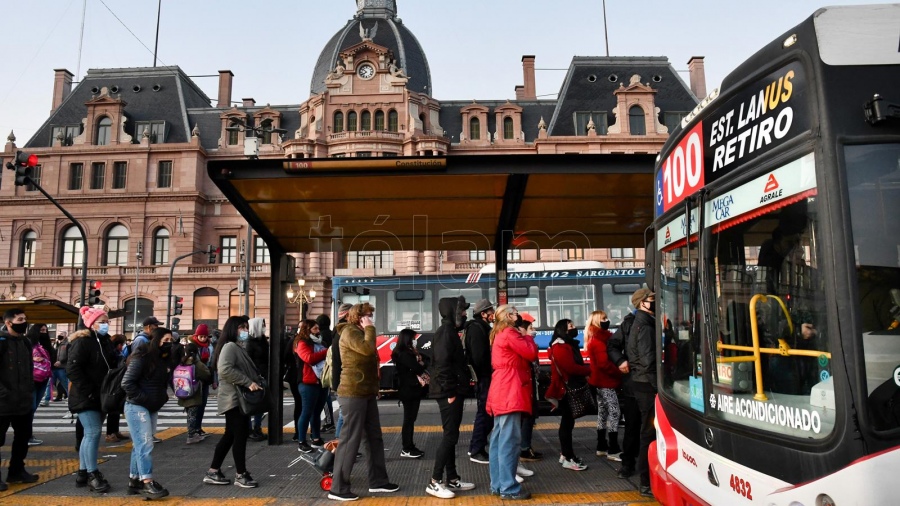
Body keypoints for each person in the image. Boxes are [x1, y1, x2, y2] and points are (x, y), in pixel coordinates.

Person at [328, 302, 398, 501]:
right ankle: (338, 488)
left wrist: (374, 389)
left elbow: (370, 362)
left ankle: (378, 481)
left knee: (374, 437)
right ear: (358, 317)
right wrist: (369, 328)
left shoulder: (359, 332)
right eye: (367, 315)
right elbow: (367, 350)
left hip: (365, 391)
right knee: (350, 439)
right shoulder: (349, 332)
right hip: (353, 392)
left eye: (370, 315)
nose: (370, 318)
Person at [203, 316, 262, 488]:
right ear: (232, 329)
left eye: (246, 327)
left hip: (235, 398)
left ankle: (213, 471)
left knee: (230, 435)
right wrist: (248, 382)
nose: (245, 331)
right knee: (240, 436)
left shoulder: (236, 346)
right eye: (241, 327)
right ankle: (241, 474)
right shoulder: (230, 347)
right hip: (234, 399)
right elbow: (225, 370)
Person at [486, 305, 538, 500]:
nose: (518, 316)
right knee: (509, 441)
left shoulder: (498, 333)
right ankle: (508, 487)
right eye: (516, 313)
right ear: (509, 316)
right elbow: (530, 353)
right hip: (511, 389)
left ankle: (498, 484)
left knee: (499, 439)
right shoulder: (510, 333)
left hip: (501, 387)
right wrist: (527, 336)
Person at [426, 296, 475, 500]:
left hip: (451, 390)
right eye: (462, 310)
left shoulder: (449, 331)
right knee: (450, 436)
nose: (465, 314)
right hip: (448, 392)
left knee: (451, 434)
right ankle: (435, 481)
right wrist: (451, 392)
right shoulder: (446, 333)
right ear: (453, 312)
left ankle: (452, 478)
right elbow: (442, 365)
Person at [67, 305, 116, 493]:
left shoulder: (104, 341)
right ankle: (92, 473)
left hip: (100, 394)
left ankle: (83, 472)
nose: (106, 325)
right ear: (91, 323)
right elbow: (73, 369)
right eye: (102, 322)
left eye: (107, 321)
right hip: (86, 395)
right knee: (93, 432)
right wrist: (88, 391)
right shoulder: (83, 342)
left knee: (91, 434)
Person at [122, 327, 174, 499]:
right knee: (145, 444)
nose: (169, 344)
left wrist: (161, 398)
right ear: (156, 340)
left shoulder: (162, 359)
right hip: (137, 405)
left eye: (171, 341)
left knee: (140, 444)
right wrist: (145, 399)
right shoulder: (142, 356)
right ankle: (147, 481)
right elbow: (127, 383)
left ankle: (135, 479)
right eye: (166, 340)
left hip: (150, 405)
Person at [0, 308, 40, 490]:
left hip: (23, 400)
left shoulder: (25, 342)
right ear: (8, 323)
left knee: (22, 438)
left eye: (25, 319)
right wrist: (3, 393)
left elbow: (30, 368)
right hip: (3, 402)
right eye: (20, 320)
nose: (24, 322)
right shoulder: (2, 342)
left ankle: (16, 471)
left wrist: (29, 389)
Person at [545, 318, 591, 471]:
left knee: (568, 422)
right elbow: (570, 367)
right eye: (570, 326)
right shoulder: (560, 346)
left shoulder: (566, 345)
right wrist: (589, 370)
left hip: (567, 387)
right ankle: (568, 456)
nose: (574, 328)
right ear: (563, 330)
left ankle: (566, 455)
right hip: (565, 389)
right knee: (567, 423)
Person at [625, 288, 657, 498]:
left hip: (641, 382)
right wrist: (658, 385)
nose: (654, 302)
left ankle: (646, 480)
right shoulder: (644, 326)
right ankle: (646, 482)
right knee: (648, 432)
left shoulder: (641, 322)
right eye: (652, 299)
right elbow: (648, 359)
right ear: (642, 303)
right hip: (647, 384)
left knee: (647, 431)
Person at [607, 305, 641, 479]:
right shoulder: (628, 323)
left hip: (656, 383)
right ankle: (628, 463)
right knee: (632, 425)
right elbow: (612, 345)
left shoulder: (659, 319)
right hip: (634, 384)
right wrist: (620, 360)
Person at [585, 310, 622, 460]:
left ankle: (601, 445)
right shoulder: (599, 341)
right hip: (606, 381)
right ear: (596, 321)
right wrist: (620, 371)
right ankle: (613, 448)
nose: (607, 320)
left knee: (603, 413)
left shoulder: (593, 338)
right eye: (603, 318)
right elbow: (604, 364)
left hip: (598, 382)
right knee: (615, 412)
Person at [465, 298, 494, 465]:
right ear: (483, 314)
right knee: (485, 413)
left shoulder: (480, 328)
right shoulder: (477, 329)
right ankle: (477, 450)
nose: (493, 314)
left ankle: (475, 447)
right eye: (490, 311)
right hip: (484, 378)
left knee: (485, 413)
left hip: (485, 377)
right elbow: (479, 357)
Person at [391, 328, 427, 459]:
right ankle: (406, 447)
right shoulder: (404, 354)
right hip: (409, 389)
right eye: (413, 338)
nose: (415, 341)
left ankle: (410, 446)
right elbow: (418, 367)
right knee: (409, 419)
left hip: (411, 389)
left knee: (411, 419)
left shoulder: (406, 352)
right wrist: (421, 362)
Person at [294, 318, 328, 453]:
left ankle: (316, 438)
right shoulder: (302, 343)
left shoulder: (321, 343)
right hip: (307, 382)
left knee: (317, 412)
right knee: (306, 412)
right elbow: (309, 358)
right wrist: (326, 352)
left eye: (318, 328)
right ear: (307, 330)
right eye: (315, 328)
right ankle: (301, 441)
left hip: (321, 381)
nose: (318, 331)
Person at [514, 312, 543, 462]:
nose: (534, 330)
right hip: (525, 386)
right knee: (526, 418)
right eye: (531, 327)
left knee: (528, 418)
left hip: (530, 384)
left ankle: (525, 446)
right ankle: (524, 448)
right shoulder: (522, 343)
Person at [184, 324, 214, 444]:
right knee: (194, 406)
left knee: (202, 405)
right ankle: (193, 431)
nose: (203, 338)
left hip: (204, 380)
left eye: (205, 336)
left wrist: (214, 380)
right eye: (201, 336)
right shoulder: (191, 347)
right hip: (194, 379)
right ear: (196, 336)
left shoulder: (209, 347)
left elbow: (212, 364)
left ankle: (197, 428)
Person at [331, 302, 353, 439]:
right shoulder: (345, 332)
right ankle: (339, 444)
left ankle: (340, 443)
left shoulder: (338, 331)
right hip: (344, 379)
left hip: (340, 378)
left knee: (344, 414)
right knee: (344, 415)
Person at [245, 317, 269, 441]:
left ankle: (257, 428)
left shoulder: (262, 339)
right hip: (254, 377)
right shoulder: (250, 342)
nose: (264, 327)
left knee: (260, 404)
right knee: (253, 403)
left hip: (263, 375)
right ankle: (251, 429)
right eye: (262, 325)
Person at [106, 333, 130, 443]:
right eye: (123, 344)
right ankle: (110, 433)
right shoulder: (113, 353)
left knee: (116, 409)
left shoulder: (115, 352)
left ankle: (115, 431)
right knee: (113, 409)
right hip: (113, 382)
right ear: (119, 344)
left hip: (116, 381)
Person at [28, 324, 52, 422]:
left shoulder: (46, 344)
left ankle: (28, 427)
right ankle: (26, 428)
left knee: (35, 405)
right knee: (31, 406)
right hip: (31, 377)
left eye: (45, 330)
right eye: (41, 330)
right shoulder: (28, 342)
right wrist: (32, 358)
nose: (44, 332)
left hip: (44, 377)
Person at [316, 314, 336, 432]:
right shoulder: (332, 334)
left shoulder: (320, 336)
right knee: (326, 394)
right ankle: (329, 421)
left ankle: (329, 421)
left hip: (323, 367)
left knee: (324, 396)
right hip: (331, 366)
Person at [52, 331, 70, 402]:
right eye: (59, 334)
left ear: (65, 335)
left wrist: (61, 361)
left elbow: (68, 355)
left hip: (62, 367)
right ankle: (48, 399)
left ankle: (69, 397)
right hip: (54, 366)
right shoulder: (55, 344)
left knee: (64, 383)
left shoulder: (67, 344)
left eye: (62, 334)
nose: (60, 335)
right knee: (51, 383)